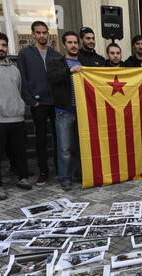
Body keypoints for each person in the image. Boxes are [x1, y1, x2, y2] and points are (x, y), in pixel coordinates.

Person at [0, 31, 32, 200]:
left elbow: (17, 91)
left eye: (4, 45)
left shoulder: (14, 69)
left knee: (19, 152)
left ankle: (23, 178)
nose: (1, 48)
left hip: (16, 118)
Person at [17, 21, 61, 186]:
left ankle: (59, 169)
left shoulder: (55, 54)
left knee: (58, 138)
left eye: (44, 32)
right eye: (38, 32)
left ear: (48, 34)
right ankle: (43, 172)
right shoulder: (25, 54)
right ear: (33, 34)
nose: (42, 35)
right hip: (38, 104)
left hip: (55, 103)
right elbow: (22, 79)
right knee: (41, 139)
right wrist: (31, 101)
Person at [47, 31, 83, 191]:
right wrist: (69, 71)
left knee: (82, 145)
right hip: (64, 111)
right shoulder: (57, 62)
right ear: (64, 44)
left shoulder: (84, 62)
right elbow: (53, 78)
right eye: (70, 42)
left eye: (75, 42)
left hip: (82, 111)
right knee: (65, 147)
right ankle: (65, 177)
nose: (73, 45)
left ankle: (79, 173)